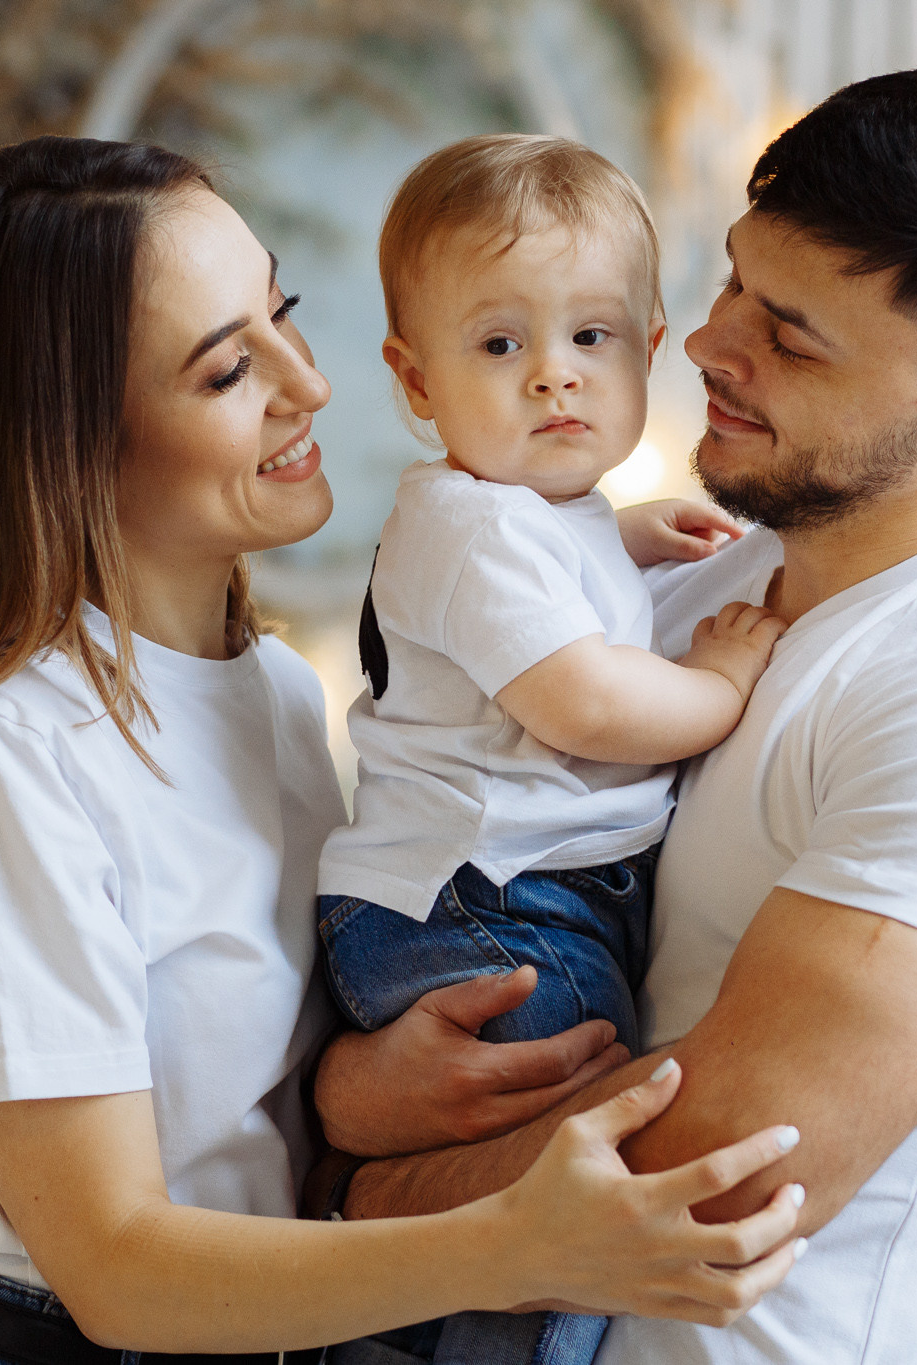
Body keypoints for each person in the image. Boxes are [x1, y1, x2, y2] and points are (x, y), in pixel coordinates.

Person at [0, 135, 808, 1365]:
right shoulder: (4, 751)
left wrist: (349, 1092)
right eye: (228, 370)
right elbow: (115, 1268)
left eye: (283, 313)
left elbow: (231, 1097)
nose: (309, 385)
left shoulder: (267, 687)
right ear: (65, 438)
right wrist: (517, 1244)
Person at [312, 67, 917, 1365]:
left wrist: (347, 1197)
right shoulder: (685, 583)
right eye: (732, 282)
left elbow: (717, 1170)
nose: (707, 345)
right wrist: (353, 1091)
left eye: (792, 336)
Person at [319, 133, 786, 1365]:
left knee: (518, 1180)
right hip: (489, 908)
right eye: (497, 346)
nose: (551, 378)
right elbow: (582, 704)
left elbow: (536, 575)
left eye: (590, 337)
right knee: (578, 1182)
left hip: (495, 898)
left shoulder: (536, 519)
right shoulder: (468, 526)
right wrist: (721, 680)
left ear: (646, 348)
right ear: (415, 381)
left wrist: (621, 537)